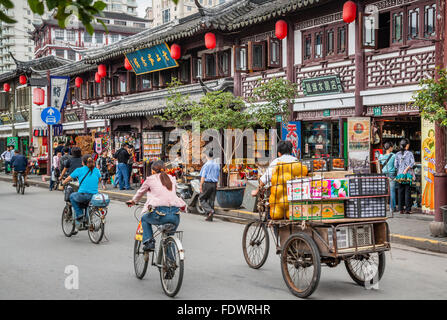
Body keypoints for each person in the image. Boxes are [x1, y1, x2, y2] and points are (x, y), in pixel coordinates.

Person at [126, 160, 186, 251]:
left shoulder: (150, 179)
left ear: (153, 171)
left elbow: (140, 192)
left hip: (160, 214)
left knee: (144, 219)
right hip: (175, 215)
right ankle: (171, 262)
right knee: (169, 238)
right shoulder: (172, 178)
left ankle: (149, 242)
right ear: (165, 169)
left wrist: (133, 201)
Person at [62, 154, 101, 228]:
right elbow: (99, 180)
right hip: (95, 195)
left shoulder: (79, 170)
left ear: (83, 163)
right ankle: (88, 219)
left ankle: (79, 214)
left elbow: (68, 178)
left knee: (72, 196)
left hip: (84, 195)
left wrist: (63, 182)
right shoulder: (96, 170)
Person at [394, 138, 415, 214]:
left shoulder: (397, 154)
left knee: (400, 192)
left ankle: (400, 209)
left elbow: (395, 166)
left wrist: (401, 169)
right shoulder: (410, 153)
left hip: (400, 175)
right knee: (407, 191)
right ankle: (408, 209)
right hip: (407, 175)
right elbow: (412, 163)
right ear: (407, 145)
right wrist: (406, 169)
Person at [199, 150, 220, 222]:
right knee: (211, 200)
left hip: (207, 183)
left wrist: (200, 185)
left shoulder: (206, 165)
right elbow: (218, 176)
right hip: (214, 184)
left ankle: (210, 210)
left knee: (201, 198)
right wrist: (216, 185)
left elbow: (203, 176)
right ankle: (210, 217)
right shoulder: (217, 164)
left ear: (206, 156)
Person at [379, 142, 397, 213]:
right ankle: (392, 208)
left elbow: (380, 163)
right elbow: (395, 165)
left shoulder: (381, 156)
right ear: (390, 148)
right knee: (392, 191)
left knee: (384, 191)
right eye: (392, 147)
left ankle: (382, 207)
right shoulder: (393, 156)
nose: (393, 148)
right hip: (391, 174)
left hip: (384, 174)